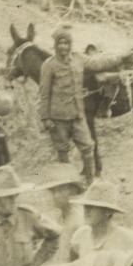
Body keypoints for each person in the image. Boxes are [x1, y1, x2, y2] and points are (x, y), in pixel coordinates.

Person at [38, 24, 96, 183]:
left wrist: (121, 58)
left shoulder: (78, 59)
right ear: (55, 45)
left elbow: (98, 63)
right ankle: (69, 184)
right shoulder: (49, 65)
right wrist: (45, 118)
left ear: (71, 44)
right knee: (63, 152)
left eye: (66, 43)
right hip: (58, 119)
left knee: (88, 148)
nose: (63, 46)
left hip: (78, 115)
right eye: (60, 43)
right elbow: (44, 93)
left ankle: (90, 182)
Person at [34, 162, 86, 263]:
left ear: (73, 190)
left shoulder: (78, 219)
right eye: (53, 191)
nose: (56, 196)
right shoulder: (61, 215)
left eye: (61, 190)